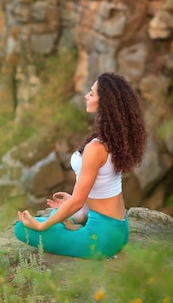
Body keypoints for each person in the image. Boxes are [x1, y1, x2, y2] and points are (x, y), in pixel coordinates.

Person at [14, 72, 146, 259]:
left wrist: (42, 226)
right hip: (118, 228)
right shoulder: (114, 140)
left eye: (91, 94)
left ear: (105, 103)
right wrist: (80, 204)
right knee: (57, 213)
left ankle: (75, 222)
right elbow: (100, 189)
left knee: (23, 228)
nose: (86, 96)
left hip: (101, 239)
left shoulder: (96, 148)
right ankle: (79, 218)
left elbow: (76, 202)